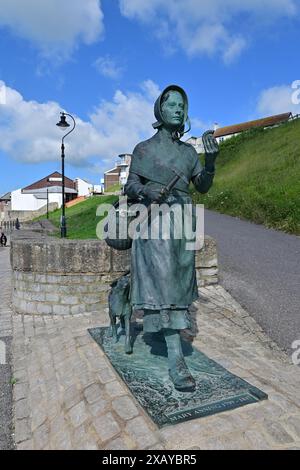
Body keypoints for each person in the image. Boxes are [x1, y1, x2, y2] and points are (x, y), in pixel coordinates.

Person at [124, 84, 219, 391]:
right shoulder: (143, 149)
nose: (178, 109)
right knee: (164, 281)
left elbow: (201, 186)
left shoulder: (189, 153)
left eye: (182, 105)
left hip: (183, 222)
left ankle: (167, 337)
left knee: (179, 282)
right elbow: (130, 187)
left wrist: (211, 163)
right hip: (154, 221)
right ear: (160, 110)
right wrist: (144, 190)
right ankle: (176, 356)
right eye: (172, 105)